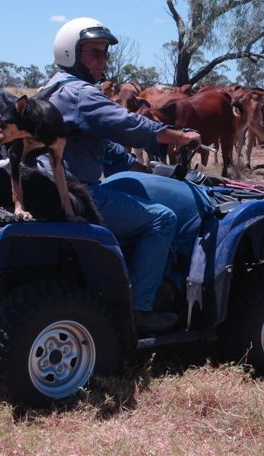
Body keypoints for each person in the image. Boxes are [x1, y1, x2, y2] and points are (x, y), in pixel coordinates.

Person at [44, 17, 201, 333]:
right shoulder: (80, 93)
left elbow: (103, 148)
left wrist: (144, 169)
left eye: (105, 53)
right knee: (162, 219)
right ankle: (139, 309)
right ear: (70, 54)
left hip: (48, 188)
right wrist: (180, 136)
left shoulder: (50, 89)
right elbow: (130, 126)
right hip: (76, 193)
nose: (102, 61)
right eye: (94, 53)